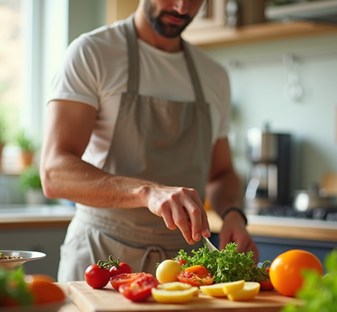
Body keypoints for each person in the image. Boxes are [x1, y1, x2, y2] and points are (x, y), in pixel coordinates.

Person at [40, 0, 259, 282]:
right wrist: (147, 193)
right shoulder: (92, 53)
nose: (182, 8)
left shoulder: (214, 76)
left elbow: (221, 174)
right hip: (102, 258)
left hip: (185, 266)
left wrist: (233, 215)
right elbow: (54, 173)